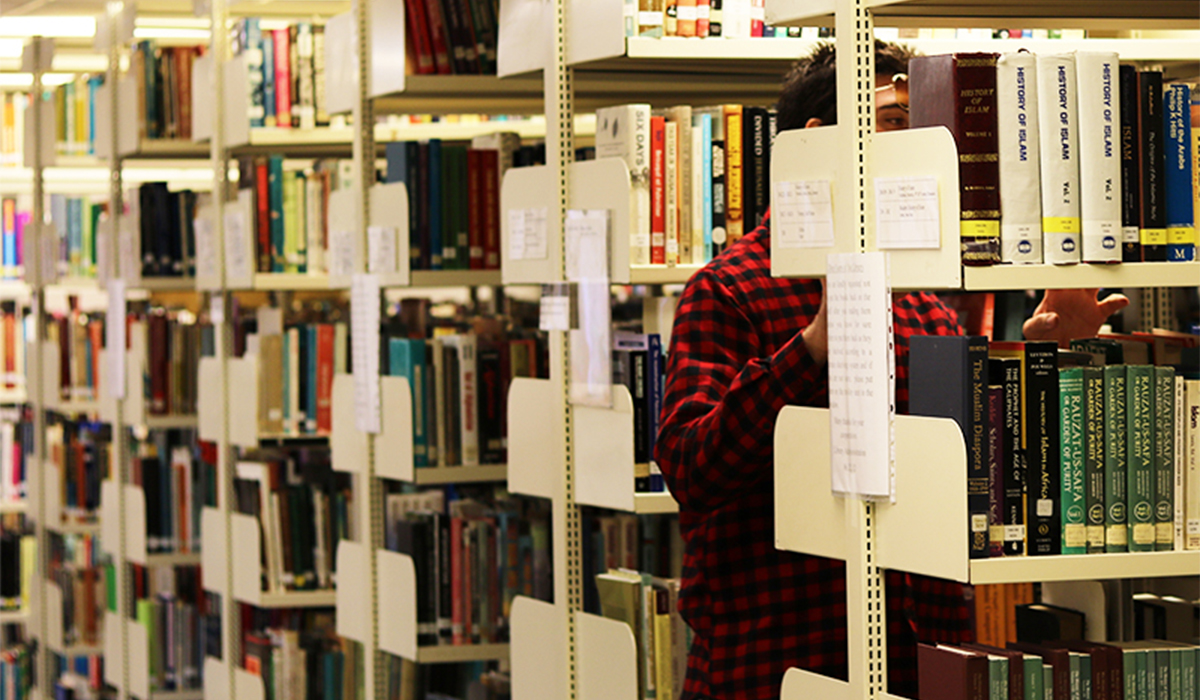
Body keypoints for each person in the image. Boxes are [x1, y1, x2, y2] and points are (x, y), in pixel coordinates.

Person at [654, 41, 1129, 700]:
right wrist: (811, 348)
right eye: (893, 124)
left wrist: (1041, 358)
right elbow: (689, 467)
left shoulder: (921, 296)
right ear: (817, 146)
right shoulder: (729, 289)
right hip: (776, 670)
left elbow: (964, 472)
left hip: (918, 667)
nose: (915, 150)